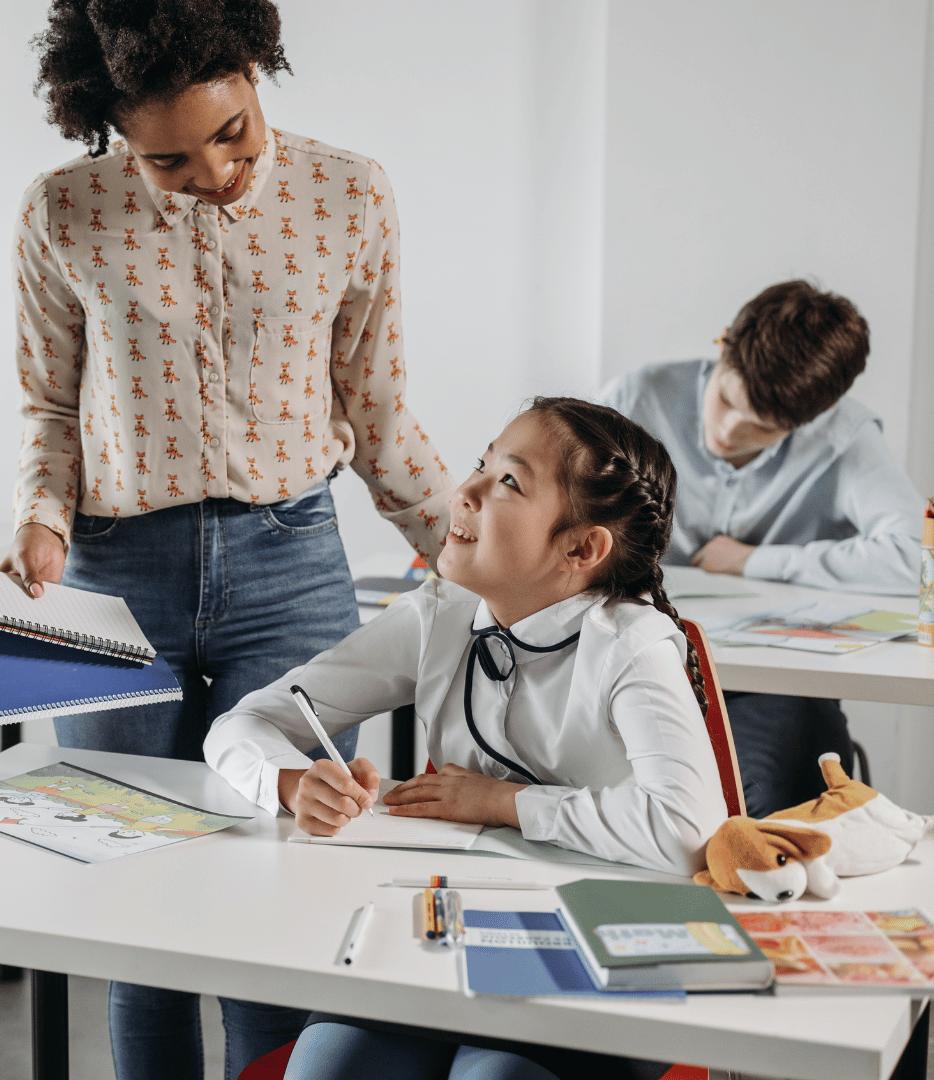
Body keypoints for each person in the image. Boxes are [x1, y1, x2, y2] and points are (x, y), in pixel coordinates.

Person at [0, 2, 452, 1074]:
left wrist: (483, 551)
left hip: (293, 564)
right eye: (169, 159)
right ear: (109, 130)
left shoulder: (352, 194)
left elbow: (379, 413)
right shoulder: (61, 213)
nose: (215, 172)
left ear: (257, 72)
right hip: (117, 574)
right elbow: (50, 410)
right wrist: (40, 519)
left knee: (286, 883)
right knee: (137, 896)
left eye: (234, 133)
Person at [207, 399, 726, 1080]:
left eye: (508, 482)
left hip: (605, 951)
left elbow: (689, 829)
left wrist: (502, 802)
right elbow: (242, 725)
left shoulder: (631, 646)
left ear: (581, 548)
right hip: (448, 936)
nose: (467, 491)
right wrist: (290, 781)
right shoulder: (439, 616)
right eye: (482, 465)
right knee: (326, 1071)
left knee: (491, 1079)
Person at [598, 280, 923, 816]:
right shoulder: (637, 398)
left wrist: (754, 560)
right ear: (723, 343)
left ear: (811, 419)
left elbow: (916, 557)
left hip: (769, 687)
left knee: (768, 802)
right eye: (725, 400)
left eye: (762, 429)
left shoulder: (844, 438)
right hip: (633, 661)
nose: (727, 432)